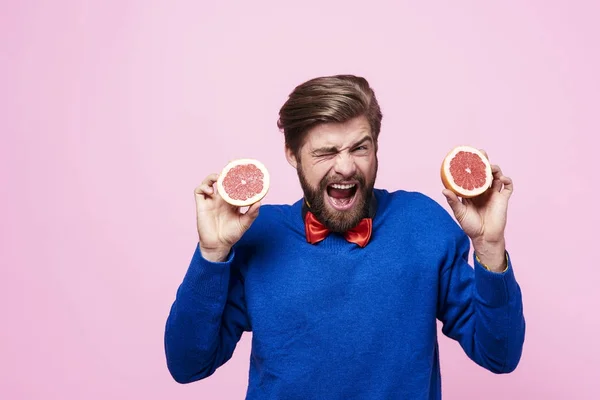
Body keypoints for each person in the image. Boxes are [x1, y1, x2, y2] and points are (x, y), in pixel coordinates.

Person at [164, 74, 526, 399]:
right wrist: (211, 255)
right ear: (292, 154)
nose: (346, 166)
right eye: (326, 152)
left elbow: (500, 355)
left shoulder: (424, 225)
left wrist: (489, 246)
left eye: (360, 147)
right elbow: (188, 365)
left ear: (376, 146)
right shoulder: (257, 234)